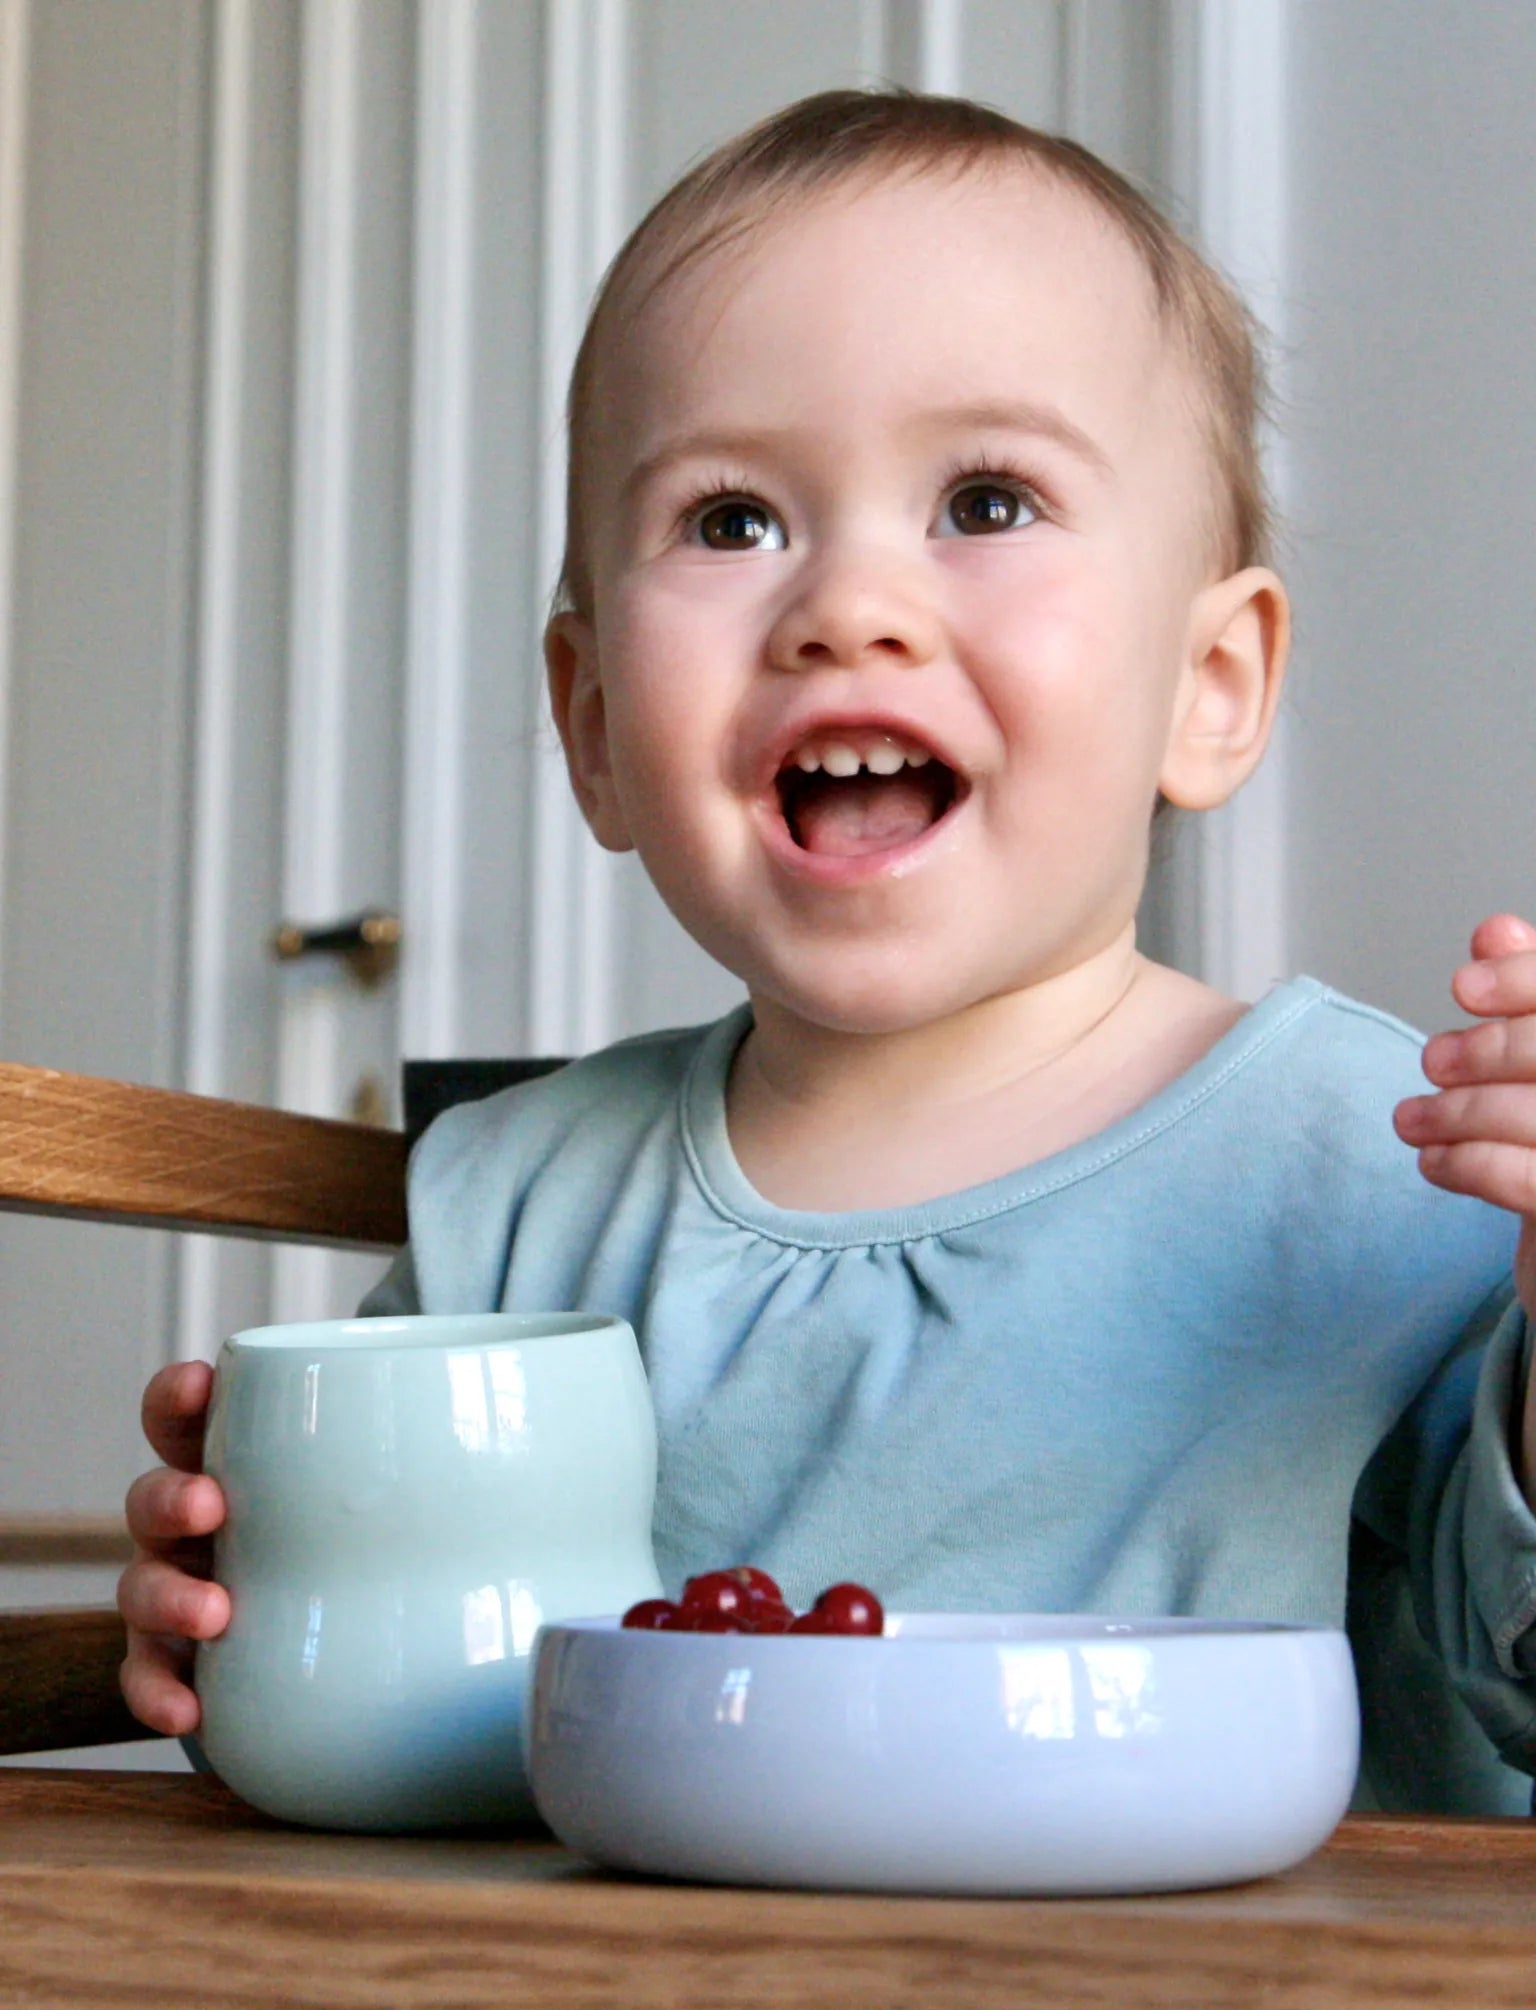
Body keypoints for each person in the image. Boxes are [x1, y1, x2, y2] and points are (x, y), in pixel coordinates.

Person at [118, 90, 1536, 1812]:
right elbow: (424, 1722)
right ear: (590, 729)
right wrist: (238, 1629)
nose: (846, 603)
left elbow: (1509, 1700)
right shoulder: (510, 1211)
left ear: (1209, 686)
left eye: (990, 500)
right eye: (731, 522)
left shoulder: (1396, 1170)